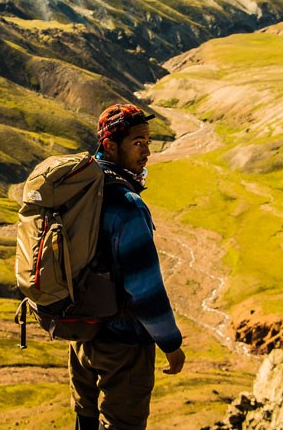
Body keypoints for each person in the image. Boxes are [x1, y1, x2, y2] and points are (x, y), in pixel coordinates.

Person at [70, 103, 186, 430]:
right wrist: (171, 344)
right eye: (138, 143)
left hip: (83, 335)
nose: (147, 151)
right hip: (124, 345)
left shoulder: (81, 188)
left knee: (85, 421)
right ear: (109, 145)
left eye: (149, 142)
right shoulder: (127, 206)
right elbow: (145, 290)